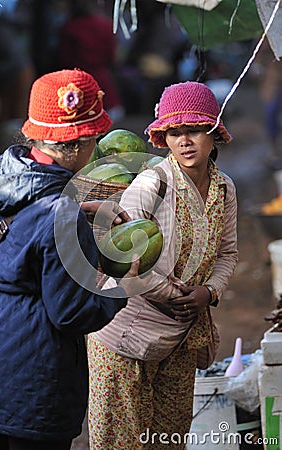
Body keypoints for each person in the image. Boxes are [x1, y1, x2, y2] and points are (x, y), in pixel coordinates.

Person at [0, 68, 146, 450]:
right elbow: (72, 313)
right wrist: (123, 287)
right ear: (82, 142)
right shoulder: (62, 215)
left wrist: (74, 212)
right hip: (35, 385)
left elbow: (16, 239)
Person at [87, 81, 238, 449]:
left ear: (214, 133)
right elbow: (124, 260)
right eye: (175, 132)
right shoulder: (151, 184)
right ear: (163, 139)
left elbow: (228, 254)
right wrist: (176, 296)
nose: (185, 141)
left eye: (195, 130)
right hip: (124, 336)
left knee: (168, 440)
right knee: (120, 443)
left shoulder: (225, 188)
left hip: (181, 337)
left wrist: (209, 291)